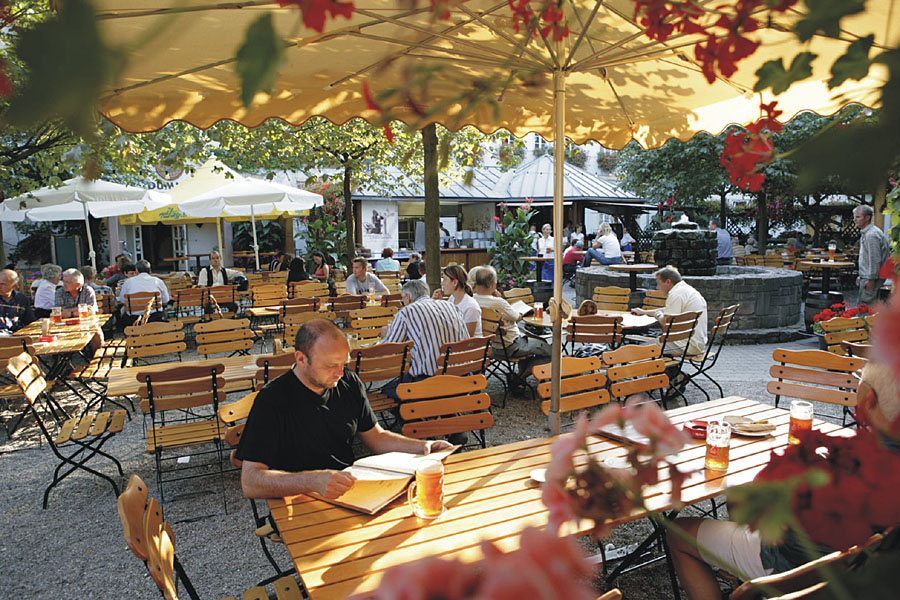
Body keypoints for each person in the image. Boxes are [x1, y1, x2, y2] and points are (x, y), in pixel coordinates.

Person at [667, 360, 900, 600]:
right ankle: (734, 560)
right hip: (854, 564)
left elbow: (792, 538)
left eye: (859, 382)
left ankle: (739, 563)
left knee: (678, 532)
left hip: (797, 566)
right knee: (740, 499)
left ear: (870, 398)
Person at [236, 319, 454, 500]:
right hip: (298, 498)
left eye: (343, 363)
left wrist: (423, 447)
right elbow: (251, 482)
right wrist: (311, 480)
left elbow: (376, 437)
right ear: (301, 359)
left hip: (350, 492)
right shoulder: (272, 399)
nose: (340, 373)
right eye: (330, 365)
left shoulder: (348, 381)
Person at [472, 266, 551, 380]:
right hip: (511, 346)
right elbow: (517, 317)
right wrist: (502, 301)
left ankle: (520, 378)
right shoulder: (499, 303)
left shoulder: (473, 299)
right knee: (552, 352)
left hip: (491, 346)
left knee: (537, 341)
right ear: (492, 284)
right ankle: (520, 378)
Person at [383, 279, 468, 380]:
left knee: (385, 390)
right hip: (463, 376)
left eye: (403, 300)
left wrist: (385, 335)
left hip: (429, 381)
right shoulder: (452, 306)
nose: (403, 303)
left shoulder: (407, 311)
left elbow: (391, 350)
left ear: (408, 297)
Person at [632, 266, 708, 356]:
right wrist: (644, 312)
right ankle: (669, 370)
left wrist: (657, 315)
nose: (657, 287)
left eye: (659, 283)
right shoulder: (687, 290)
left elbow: (666, 323)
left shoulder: (675, 294)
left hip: (683, 345)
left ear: (668, 282)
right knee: (649, 344)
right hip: (697, 343)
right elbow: (668, 311)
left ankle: (656, 369)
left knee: (636, 351)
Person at [853, 205, 890, 305]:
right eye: (854, 217)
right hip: (868, 276)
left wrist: (871, 279)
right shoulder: (868, 232)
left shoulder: (871, 235)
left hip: (873, 278)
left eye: (858, 217)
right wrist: (861, 275)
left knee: (866, 309)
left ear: (867, 218)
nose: (854, 220)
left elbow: (875, 259)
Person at [432, 264, 482, 336]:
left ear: (455, 282)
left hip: (471, 345)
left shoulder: (471, 307)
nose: (442, 283)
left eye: (445, 280)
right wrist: (439, 302)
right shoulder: (453, 298)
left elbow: (468, 336)